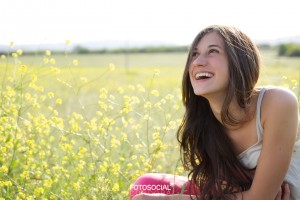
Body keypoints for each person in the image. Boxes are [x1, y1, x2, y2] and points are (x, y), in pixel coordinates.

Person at [130, 25, 300, 200]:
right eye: (194, 54)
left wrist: (167, 199)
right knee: (145, 185)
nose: (197, 62)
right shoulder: (204, 122)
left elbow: (258, 198)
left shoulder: (277, 102)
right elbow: (225, 190)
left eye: (213, 51)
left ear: (240, 60)